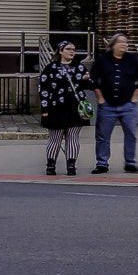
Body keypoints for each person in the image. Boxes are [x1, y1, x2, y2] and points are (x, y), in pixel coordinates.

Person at [89, 33, 138, 174]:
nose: (124, 45)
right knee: (103, 135)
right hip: (107, 105)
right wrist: (99, 96)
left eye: (125, 42)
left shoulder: (132, 60)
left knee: (130, 134)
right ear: (113, 44)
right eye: (120, 42)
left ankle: (130, 162)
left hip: (128, 105)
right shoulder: (102, 59)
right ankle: (102, 163)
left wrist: (136, 95)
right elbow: (93, 79)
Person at [38, 41, 90, 176]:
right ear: (60, 51)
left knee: (73, 136)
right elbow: (43, 89)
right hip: (56, 107)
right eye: (68, 49)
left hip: (75, 107)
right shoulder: (51, 68)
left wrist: (86, 79)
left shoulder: (79, 67)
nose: (72, 52)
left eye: (73, 49)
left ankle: (71, 164)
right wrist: (44, 109)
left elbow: (90, 84)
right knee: (55, 137)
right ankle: (51, 164)